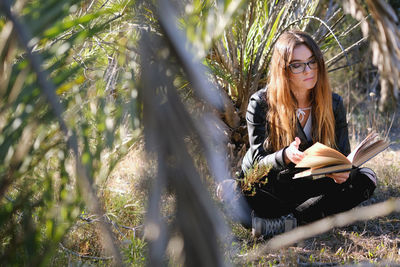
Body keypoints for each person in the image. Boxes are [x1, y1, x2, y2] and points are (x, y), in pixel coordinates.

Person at [231, 30, 377, 238]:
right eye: (297, 65)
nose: (308, 70)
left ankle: (288, 224)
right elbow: (257, 163)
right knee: (245, 195)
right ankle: (305, 217)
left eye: (312, 61)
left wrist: (341, 172)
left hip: (308, 181)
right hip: (272, 183)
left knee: (365, 178)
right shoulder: (261, 104)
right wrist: (284, 156)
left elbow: (344, 155)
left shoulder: (333, 103)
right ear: (283, 70)